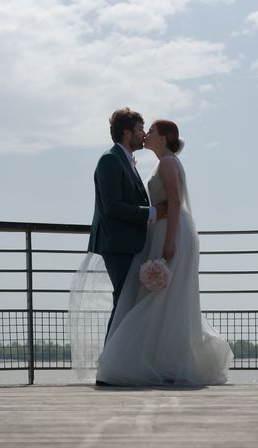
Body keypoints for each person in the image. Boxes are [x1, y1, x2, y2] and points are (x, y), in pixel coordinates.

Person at [94, 119, 234, 386]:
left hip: (171, 232)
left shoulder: (168, 163)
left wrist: (169, 241)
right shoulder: (161, 162)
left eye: (151, 131)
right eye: (142, 130)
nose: (145, 134)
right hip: (160, 232)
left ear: (163, 137)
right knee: (161, 300)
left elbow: (173, 201)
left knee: (166, 300)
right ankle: (158, 361)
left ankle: (161, 362)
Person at [87, 108, 167, 343]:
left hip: (127, 242)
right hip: (117, 242)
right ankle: (110, 366)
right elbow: (112, 206)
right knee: (123, 301)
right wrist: (153, 212)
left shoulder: (124, 160)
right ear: (126, 132)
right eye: (140, 129)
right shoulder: (110, 160)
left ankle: (118, 362)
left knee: (126, 300)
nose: (143, 135)